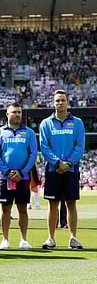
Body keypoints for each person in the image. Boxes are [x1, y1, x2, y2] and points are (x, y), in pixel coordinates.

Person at [39, 90, 85, 250]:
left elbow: (79, 146)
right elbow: (44, 147)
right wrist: (57, 162)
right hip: (53, 170)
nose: (60, 103)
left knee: (71, 203)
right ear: (53, 103)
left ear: (67, 102)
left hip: (71, 170)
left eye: (62, 100)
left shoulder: (77, 123)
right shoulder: (46, 123)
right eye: (57, 100)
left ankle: (73, 238)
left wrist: (68, 163)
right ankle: (51, 238)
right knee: (53, 204)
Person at [0, 102, 37, 250]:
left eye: (19, 112)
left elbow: (33, 154)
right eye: (14, 112)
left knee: (22, 208)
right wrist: (7, 171)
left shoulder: (29, 133)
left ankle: (24, 239)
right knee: (5, 208)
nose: (17, 114)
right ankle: (5, 239)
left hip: (23, 177)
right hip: (5, 177)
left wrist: (22, 172)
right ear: (7, 114)